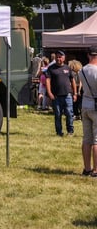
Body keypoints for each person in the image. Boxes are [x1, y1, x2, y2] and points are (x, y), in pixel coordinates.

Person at [46, 49, 76, 137]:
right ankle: (59, 132)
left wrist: (75, 93)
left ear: (64, 58)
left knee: (69, 114)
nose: (58, 59)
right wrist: (49, 93)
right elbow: (47, 81)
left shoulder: (67, 68)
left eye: (60, 57)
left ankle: (70, 131)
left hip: (68, 95)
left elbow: (72, 81)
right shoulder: (51, 68)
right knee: (58, 114)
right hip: (56, 96)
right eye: (57, 57)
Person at [78, 46, 97, 176]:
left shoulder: (82, 70)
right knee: (96, 140)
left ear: (88, 55)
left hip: (85, 104)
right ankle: (96, 170)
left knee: (86, 139)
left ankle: (87, 168)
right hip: (95, 106)